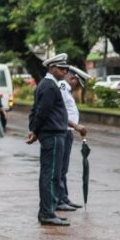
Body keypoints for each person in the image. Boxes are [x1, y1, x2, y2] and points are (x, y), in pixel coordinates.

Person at [27, 54, 71, 226]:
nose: (64, 72)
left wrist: (35, 130)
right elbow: (41, 111)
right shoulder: (50, 86)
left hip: (52, 134)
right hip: (52, 135)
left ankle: (48, 211)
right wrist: (35, 131)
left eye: (66, 69)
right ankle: (47, 212)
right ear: (52, 68)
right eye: (61, 68)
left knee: (51, 174)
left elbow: (36, 110)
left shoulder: (46, 84)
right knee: (51, 175)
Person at [55, 66, 89, 210]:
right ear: (73, 78)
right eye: (77, 82)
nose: (76, 86)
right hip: (64, 130)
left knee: (63, 168)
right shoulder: (62, 86)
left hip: (67, 131)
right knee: (60, 168)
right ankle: (59, 200)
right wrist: (75, 126)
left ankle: (63, 198)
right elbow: (60, 111)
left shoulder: (65, 88)